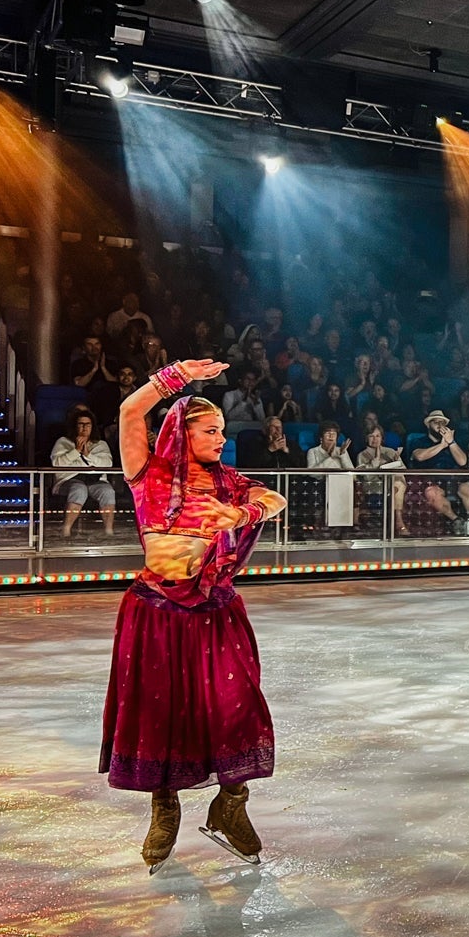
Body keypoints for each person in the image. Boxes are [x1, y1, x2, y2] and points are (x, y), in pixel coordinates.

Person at [101, 360, 287, 875]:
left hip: (216, 612)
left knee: (237, 707)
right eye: (210, 431)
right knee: (160, 714)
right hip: (156, 613)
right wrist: (176, 375)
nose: (221, 439)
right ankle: (164, 807)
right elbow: (130, 410)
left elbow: (274, 498)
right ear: (182, 432)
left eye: (223, 431)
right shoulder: (148, 473)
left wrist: (242, 513)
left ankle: (231, 804)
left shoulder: (229, 482)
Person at [51, 410, 117, 538]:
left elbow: (107, 464)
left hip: (96, 481)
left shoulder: (101, 444)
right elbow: (57, 463)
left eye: (88, 424)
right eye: (81, 424)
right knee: (79, 489)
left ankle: (109, 531)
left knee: (108, 491)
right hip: (69, 480)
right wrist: (76, 451)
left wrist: (88, 455)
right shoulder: (63, 442)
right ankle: (66, 529)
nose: (84, 428)